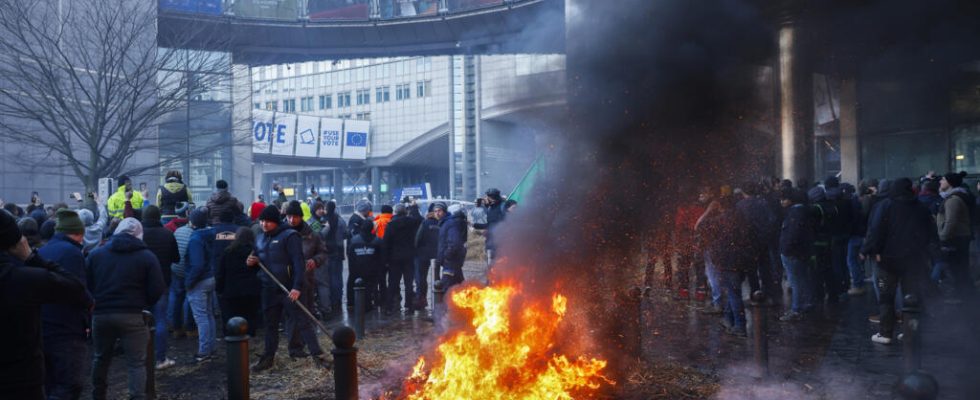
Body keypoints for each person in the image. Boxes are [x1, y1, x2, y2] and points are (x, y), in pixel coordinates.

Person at [1, 210, 91, 400]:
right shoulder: (22, 279)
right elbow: (77, 290)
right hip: (22, 380)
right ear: (16, 243)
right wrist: (31, 257)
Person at [87, 218, 165, 400]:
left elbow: (87, 283)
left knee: (100, 358)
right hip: (133, 315)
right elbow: (158, 288)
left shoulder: (97, 254)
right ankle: (137, 396)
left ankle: (98, 395)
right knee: (136, 363)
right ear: (139, 235)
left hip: (101, 313)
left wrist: (95, 301)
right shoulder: (146, 256)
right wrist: (143, 302)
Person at [247, 205, 328, 371]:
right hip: (269, 288)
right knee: (271, 325)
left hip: (290, 288)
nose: (264, 224)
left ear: (276, 221)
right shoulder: (260, 238)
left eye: (268, 221)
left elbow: (298, 263)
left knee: (303, 322)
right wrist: (251, 263)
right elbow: (257, 258)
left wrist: (297, 286)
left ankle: (318, 356)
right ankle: (268, 358)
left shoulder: (290, 236)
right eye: (262, 221)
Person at [862, 178, 938, 344]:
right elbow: (930, 233)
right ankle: (909, 331)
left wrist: (868, 250)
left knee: (886, 297)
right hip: (913, 260)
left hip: (887, 260)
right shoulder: (920, 207)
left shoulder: (885, 206)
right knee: (910, 297)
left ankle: (885, 332)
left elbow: (875, 231)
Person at [38, 209, 94, 399]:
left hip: (43, 324)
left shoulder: (43, 250)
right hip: (66, 327)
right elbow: (77, 289)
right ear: (78, 233)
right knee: (70, 384)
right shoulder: (72, 253)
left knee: (50, 382)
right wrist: (89, 305)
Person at [283, 201, 329, 357]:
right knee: (292, 316)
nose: (291, 220)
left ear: (301, 217)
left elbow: (323, 252)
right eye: (289, 216)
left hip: (306, 280)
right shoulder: (281, 233)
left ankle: (306, 345)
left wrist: (315, 261)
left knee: (307, 313)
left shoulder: (312, 233)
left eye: (295, 217)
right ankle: (295, 348)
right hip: (287, 280)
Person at [140, 206, 180, 370]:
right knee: (160, 319)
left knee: (141, 321)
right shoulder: (167, 234)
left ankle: (142, 357)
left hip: (140, 283)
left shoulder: (139, 234)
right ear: (159, 217)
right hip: (162, 281)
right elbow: (176, 258)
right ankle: (160, 358)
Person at [185, 208, 218, 362]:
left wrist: (189, 282)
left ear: (192, 222)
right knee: (209, 314)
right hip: (211, 277)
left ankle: (204, 351)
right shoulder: (212, 234)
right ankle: (211, 348)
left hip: (199, 280)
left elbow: (197, 265)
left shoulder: (195, 239)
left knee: (201, 318)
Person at [215, 227, 261, 337]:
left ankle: (233, 340)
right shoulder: (255, 252)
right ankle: (248, 339)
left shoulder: (228, 251)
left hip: (231, 290)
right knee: (249, 316)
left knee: (231, 318)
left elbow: (221, 273)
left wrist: (219, 289)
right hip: (251, 290)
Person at [778, 188, 815, 321]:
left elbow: (793, 234)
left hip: (793, 253)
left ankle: (796, 309)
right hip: (801, 251)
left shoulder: (795, 213)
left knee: (795, 281)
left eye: (784, 199)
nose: (781, 201)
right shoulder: (804, 211)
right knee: (803, 278)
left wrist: (786, 250)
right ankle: (808, 302)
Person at [937, 172, 973, 303]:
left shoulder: (953, 200)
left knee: (956, 268)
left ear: (949, 182)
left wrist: (943, 236)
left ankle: (961, 296)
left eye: (943, 179)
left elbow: (951, 221)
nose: (940, 182)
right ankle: (964, 295)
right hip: (960, 237)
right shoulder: (956, 197)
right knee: (959, 268)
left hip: (955, 238)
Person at [385, 203, 422, 313]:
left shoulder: (391, 225)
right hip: (409, 257)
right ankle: (409, 306)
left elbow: (386, 242)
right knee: (409, 283)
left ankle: (389, 307)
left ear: (395, 212)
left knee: (392, 283)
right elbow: (420, 219)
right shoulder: (412, 222)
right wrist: (414, 207)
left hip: (394, 258)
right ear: (405, 211)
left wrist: (386, 260)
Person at [672, 190, 707, 300]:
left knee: (683, 268)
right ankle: (701, 293)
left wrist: (677, 243)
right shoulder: (701, 210)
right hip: (698, 242)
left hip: (685, 242)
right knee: (700, 268)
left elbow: (678, 227)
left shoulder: (681, 210)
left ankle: (684, 293)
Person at [170, 203, 197, 339]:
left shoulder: (178, 231)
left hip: (176, 268)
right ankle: (190, 328)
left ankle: (176, 328)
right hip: (188, 270)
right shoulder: (196, 235)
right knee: (190, 298)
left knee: (176, 298)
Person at [348, 220, 387, 309]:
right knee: (371, 286)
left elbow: (351, 256)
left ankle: (353, 303)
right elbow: (382, 257)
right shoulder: (378, 241)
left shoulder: (354, 240)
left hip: (357, 269)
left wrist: (352, 270)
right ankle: (374, 302)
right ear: (372, 228)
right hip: (373, 269)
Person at [415, 202, 446, 310]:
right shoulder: (443, 223)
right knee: (436, 278)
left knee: (421, 278)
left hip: (422, 254)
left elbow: (418, 239)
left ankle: (421, 300)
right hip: (436, 255)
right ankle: (437, 302)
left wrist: (417, 250)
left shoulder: (425, 222)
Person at [321, 201, 346, 313]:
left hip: (328, 251)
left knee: (329, 277)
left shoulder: (324, 220)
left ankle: (331, 300)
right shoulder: (340, 219)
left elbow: (320, 235)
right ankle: (338, 299)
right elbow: (345, 233)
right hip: (338, 251)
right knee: (338, 276)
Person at [436, 204, 468, 290]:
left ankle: (446, 303)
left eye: (439, 211)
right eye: (435, 211)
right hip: (452, 261)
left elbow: (455, 243)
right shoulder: (445, 223)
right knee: (460, 287)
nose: (437, 213)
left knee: (447, 289)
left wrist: (446, 255)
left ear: (446, 212)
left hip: (450, 262)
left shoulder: (450, 223)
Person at [485, 188, 506, 263]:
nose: (486, 198)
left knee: (500, 260)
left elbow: (507, 222)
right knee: (490, 260)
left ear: (492, 197)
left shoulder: (502, 206)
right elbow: (489, 223)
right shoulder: (489, 208)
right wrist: (475, 225)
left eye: (488, 197)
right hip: (490, 240)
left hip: (500, 240)